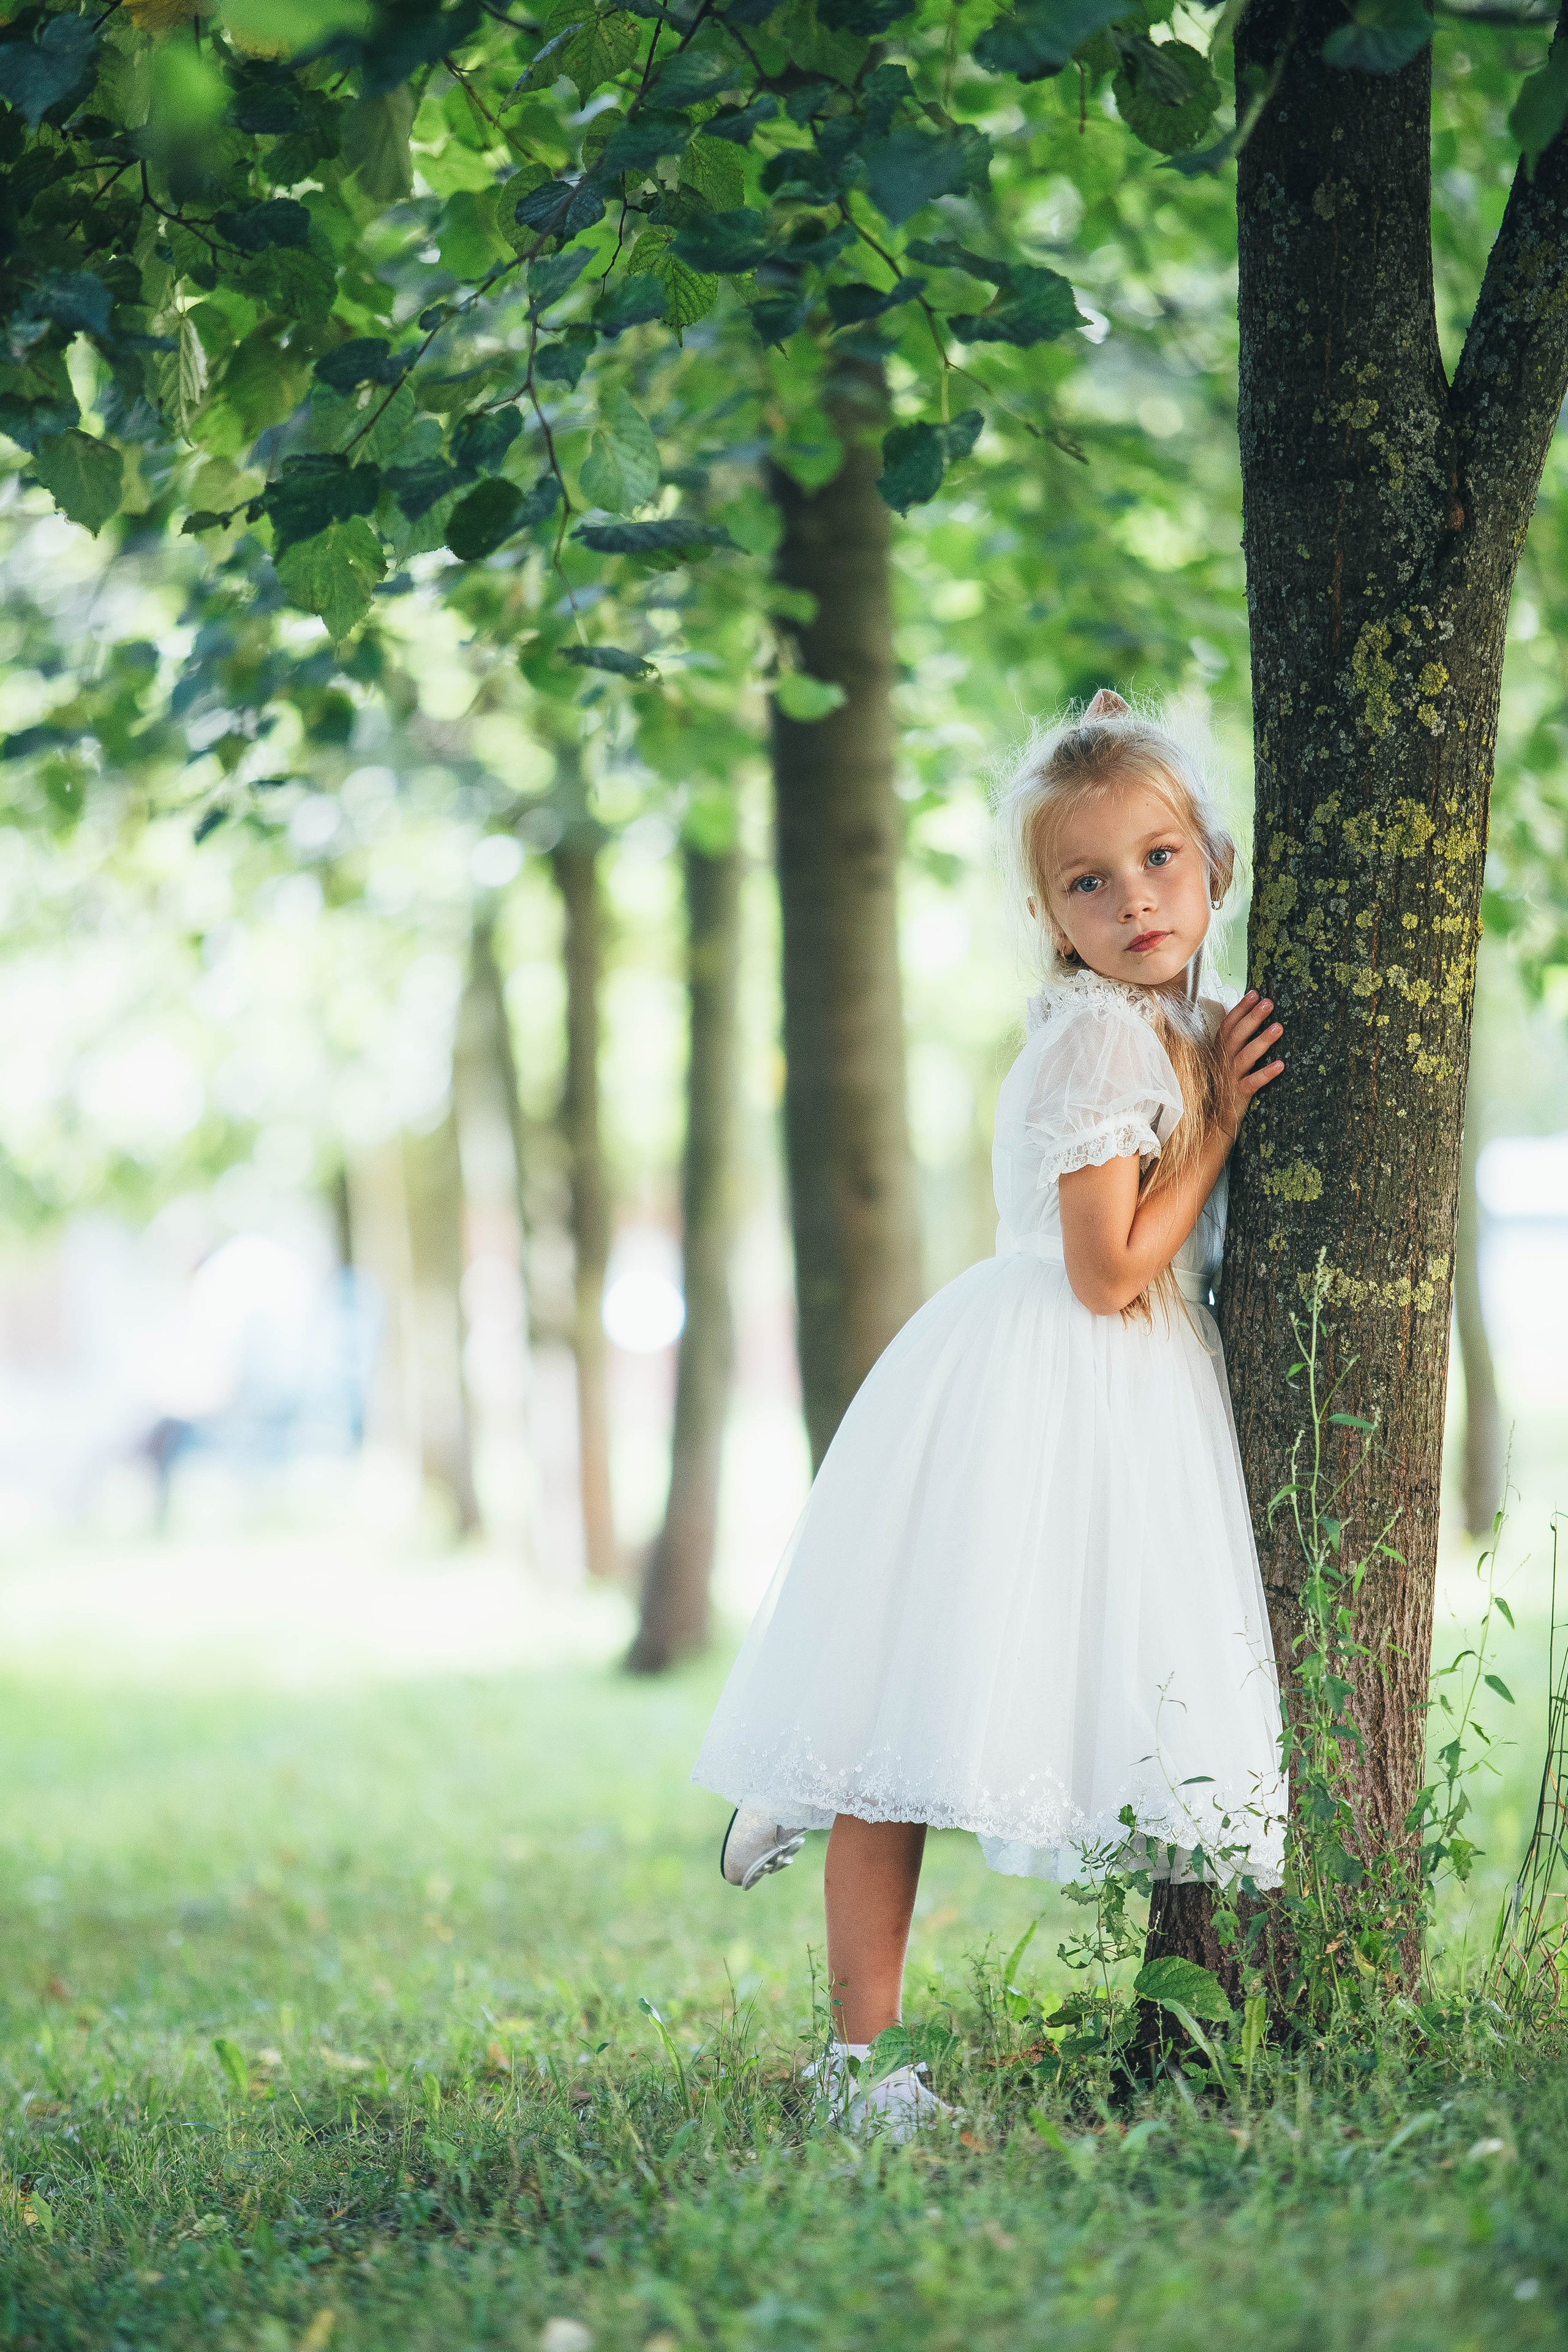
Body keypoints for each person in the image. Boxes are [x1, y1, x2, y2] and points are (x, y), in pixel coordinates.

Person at [693, 692, 1289, 2135]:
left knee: (965, 1692)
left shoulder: (1175, 1019)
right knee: (904, 1723)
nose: (1133, 898)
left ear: (1211, 859)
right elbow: (1106, 1273)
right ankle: (858, 2061)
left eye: (1158, 859)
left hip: (1121, 1406)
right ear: (1047, 915)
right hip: (1045, 1376)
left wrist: (1204, 1079)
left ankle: (806, 1775)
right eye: (1087, 881)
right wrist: (1209, 1130)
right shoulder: (1109, 1044)